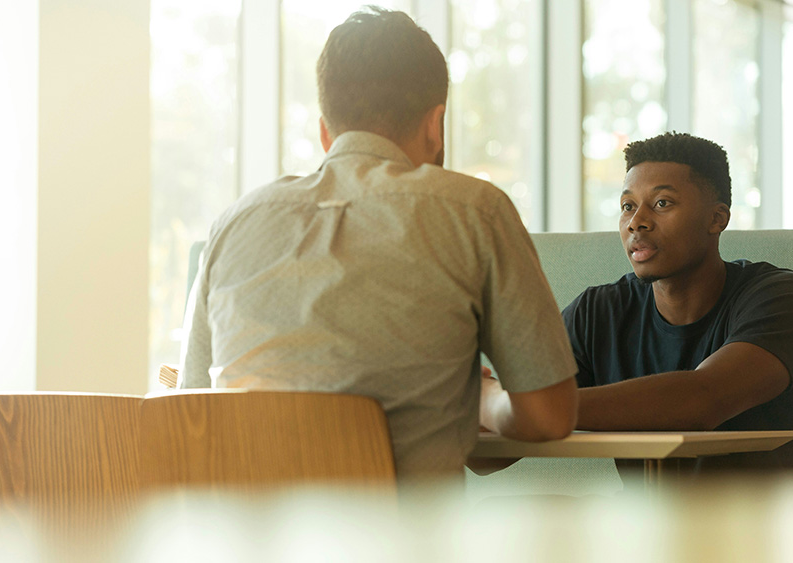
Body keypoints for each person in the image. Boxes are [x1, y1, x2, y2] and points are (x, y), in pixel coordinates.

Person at [178, 7, 578, 483]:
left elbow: (189, 412)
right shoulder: (475, 211)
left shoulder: (233, 224)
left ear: (326, 131)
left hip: (242, 545)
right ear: (436, 125)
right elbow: (549, 416)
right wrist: (485, 399)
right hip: (406, 543)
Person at [562, 132, 793, 479]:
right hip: (642, 528)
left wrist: (533, 407)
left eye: (662, 204)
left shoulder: (784, 298)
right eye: (627, 206)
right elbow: (490, 455)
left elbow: (701, 401)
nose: (636, 221)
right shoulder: (596, 312)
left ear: (717, 219)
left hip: (761, 528)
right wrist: (488, 400)